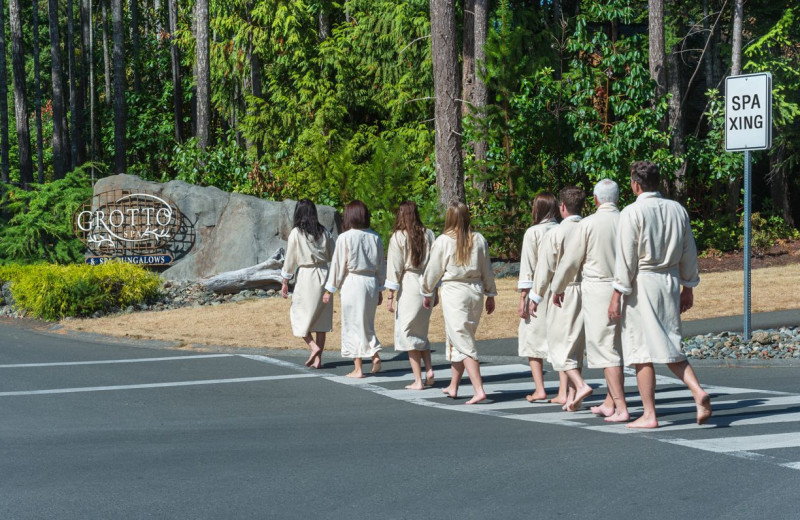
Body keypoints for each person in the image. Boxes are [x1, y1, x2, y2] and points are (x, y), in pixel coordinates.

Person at [608, 161, 711, 428]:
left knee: (641, 349)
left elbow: (626, 257)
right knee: (670, 342)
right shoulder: (677, 209)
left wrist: (617, 293)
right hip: (670, 281)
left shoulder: (632, 212)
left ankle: (650, 413)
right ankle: (697, 389)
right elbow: (689, 250)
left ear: (635, 184)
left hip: (644, 283)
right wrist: (688, 286)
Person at [550, 180, 629, 422]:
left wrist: (557, 287)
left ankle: (621, 407)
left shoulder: (589, 224)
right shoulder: (627, 218)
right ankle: (609, 401)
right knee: (618, 347)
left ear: (595, 199)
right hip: (627, 288)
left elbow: (571, 260)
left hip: (599, 289)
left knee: (606, 351)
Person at [421, 202, 497, 405]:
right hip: (475, 291)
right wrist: (490, 293)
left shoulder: (444, 241)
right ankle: (454, 385)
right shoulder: (479, 239)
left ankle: (478, 389)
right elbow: (486, 267)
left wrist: (427, 291)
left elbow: (433, 269)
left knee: (463, 340)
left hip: (455, 291)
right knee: (459, 337)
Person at [530, 186, 592, 412]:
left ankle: (580, 385)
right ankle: (573, 396)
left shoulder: (555, 233)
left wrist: (535, 295)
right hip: (589, 289)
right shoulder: (589, 227)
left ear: (562, 207)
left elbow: (545, 268)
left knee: (558, 345)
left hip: (564, 290)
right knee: (577, 345)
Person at [322, 200, 385, 378]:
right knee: (366, 322)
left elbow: (338, 265)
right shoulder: (375, 237)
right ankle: (373, 354)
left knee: (352, 324)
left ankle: (361, 365)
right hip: (371, 282)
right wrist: (380, 288)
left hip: (353, 282)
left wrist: (329, 290)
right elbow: (381, 265)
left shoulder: (345, 238)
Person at [385, 201, 437, 390]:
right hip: (427, 283)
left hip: (409, 284)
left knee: (408, 332)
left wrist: (390, 295)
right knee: (421, 331)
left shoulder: (398, 237)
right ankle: (429, 369)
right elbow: (435, 265)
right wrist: (435, 290)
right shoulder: (429, 234)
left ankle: (418, 379)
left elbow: (394, 268)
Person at [280, 199, 335, 369]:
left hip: (306, 276)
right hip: (324, 275)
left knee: (298, 314)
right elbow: (334, 255)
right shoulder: (324, 232)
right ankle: (318, 360)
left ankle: (313, 346)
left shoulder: (297, 233)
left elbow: (290, 259)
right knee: (321, 320)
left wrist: (285, 280)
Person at [517, 192, 560, 403]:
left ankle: (540, 388)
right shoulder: (563, 229)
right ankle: (565, 390)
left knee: (533, 338)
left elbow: (528, 267)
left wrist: (523, 297)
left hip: (538, 290)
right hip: (561, 288)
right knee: (560, 339)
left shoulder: (533, 232)